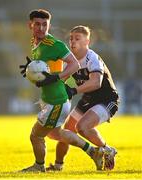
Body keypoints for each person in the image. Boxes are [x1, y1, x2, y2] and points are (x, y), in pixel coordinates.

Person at [19, 9, 104, 172]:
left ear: (49, 25)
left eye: (45, 25)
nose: (41, 28)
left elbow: (74, 64)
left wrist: (56, 77)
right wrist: (32, 70)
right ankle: (94, 152)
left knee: (36, 135)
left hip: (56, 100)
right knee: (58, 134)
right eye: (37, 24)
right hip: (50, 98)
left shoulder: (55, 44)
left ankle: (38, 166)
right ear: (30, 25)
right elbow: (45, 66)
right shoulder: (35, 43)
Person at [47, 25, 119, 171]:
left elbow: (96, 82)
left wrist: (73, 90)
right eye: (71, 38)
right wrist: (45, 82)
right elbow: (61, 81)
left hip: (107, 100)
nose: (72, 42)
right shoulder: (70, 60)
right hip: (89, 99)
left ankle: (106, 149)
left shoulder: (92, 58)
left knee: (82, 127)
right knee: (67, 131)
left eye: (77, 38)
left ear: (87, 42)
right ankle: (58, 165)